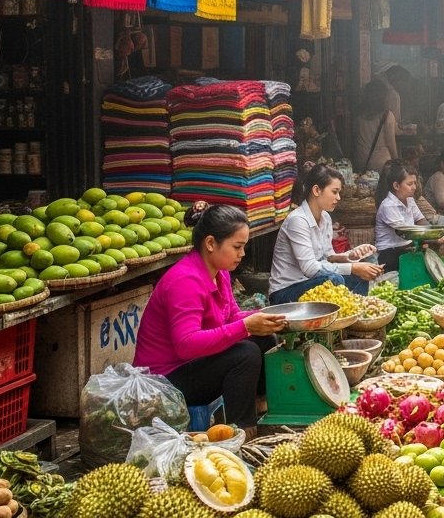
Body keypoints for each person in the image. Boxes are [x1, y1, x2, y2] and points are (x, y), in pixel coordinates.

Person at [134, 205, 286, 436]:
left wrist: (264, 320)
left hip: (193, 365)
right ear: (211, 243)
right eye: (237, 247)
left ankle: (261, 408)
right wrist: (245, 326)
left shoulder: (220, 271)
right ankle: (243, 433)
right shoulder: (185, 280)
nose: (242, 254)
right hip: (164, 381)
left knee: (263, 339)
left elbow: (231, 316)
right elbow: (186, 344)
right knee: (245, 354)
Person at [269, 163, 380, 303]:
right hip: (285, 292)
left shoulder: (325, 218)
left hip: (313, 281)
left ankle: (353, 317)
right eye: (334, 192)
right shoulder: (298, 221)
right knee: (333, 279)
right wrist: (352, 267)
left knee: (360, 276)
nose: (338, 198)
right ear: (317, 190)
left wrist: (350, 256)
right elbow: (310, 268)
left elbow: (327, 257)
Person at [373, 161, 444, 278]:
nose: (414, 187)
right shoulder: (388, 206)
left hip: (406, 249)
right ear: (396, 186)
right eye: (409, 184)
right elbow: (408, 232)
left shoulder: (410, 200)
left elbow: (423, 222)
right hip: (390, 254)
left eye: (415, 183)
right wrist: (443, 239)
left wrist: (440, 234)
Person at [354, 79, 398, 173]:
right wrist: (396, 161)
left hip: (361, 160)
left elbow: (355, 135)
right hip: (381, 162)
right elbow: (390, 143)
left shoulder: (359, 114)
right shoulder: (387, 115)